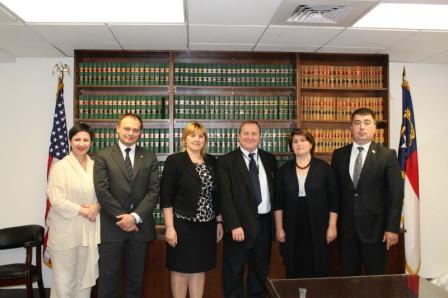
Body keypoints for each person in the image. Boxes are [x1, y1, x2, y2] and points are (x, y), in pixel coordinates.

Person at [93, 113, 160, 298]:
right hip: (111, 227)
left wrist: (134, 217)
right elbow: (102, 191)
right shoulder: (103, 156)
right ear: (118, 129)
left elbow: (153, 191)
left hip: (139, 228)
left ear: (140, 133)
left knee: (135, 281)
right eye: (127, 128)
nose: (130, 133)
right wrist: (123, 217)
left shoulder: (148, 157)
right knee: (109, 281)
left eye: (135, 130)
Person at [331, 107, 403, 276]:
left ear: (374, 127)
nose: (361, 127)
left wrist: (392, 228)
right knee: (349, 280)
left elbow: (396, 194)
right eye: (357, 123)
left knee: (376, 280)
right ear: (351, 128)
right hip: (346, 231)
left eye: (366, 122)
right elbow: (334, 193)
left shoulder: (387, 155)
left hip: (377, 231)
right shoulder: (339, 155)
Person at [160, 122, 223, 298]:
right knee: (180, 269)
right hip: (182, 225)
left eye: (201, 135)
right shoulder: (175, 161)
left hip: (206, 226)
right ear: (185, 139)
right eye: (193, 135)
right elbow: (166, 197)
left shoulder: (211, 161)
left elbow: (216, 195)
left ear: (205, 140)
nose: (197, 139)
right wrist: (170, 227)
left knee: (199, 269)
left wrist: (219, 221)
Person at [217, 120, 277, 298]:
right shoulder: (226, 161)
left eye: (254, 134)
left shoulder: (269, 159)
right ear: (238, 136)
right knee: (233, 273)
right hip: (239, 227)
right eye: (246, 133)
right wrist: (234, 225)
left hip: (264, 224)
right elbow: (225, 196)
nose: (250, 137)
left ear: (260, 137)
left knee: (260, 272)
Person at [274, 129, 339, 278]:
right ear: (291, 147)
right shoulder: (283, 170)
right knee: (294, 263)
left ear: (311, 144)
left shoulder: (324, 169)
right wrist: (279, 228)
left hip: (319, 226)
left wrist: (332, 226)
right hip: (292, 225)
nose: (299, 144)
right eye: (295, 141)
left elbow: (334, 200)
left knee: (318, 263)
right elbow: (278, 203)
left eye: (303, 140)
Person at [47, 123, 100, 298]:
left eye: (86, 139)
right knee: (64, 281)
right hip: (65, 232)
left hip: (89, 231)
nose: (81, 143)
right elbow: (57, 201)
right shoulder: (61, 167)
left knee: (84, 279)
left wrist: (97, 206)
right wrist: (84, 211)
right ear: (70, 141)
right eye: (77, 139)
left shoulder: (96, 166)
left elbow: (103, 193)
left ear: (91, 142)